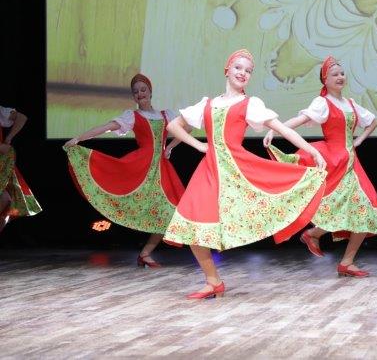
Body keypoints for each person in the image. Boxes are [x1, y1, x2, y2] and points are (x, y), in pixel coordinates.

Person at [164, 49, 327, 299]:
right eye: (238, 68)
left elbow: (282, 128)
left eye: (248, 71)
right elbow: (174, 125)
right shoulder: (207, 104)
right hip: (209, 170)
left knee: (247, 208)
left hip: (237, 169)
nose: (243, 73)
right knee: (189, 223)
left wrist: (312, 151)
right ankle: (213, 281)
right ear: (227, 70)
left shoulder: (250, 104)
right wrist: (199, 146)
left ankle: (214, 281)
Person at [265, 56, 377, 277]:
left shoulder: (351, 104)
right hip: (333, 160)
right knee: (348, 208)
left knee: (366, 211)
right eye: (334, 74)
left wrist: (359, 140)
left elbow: (372, 121)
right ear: (325, 80)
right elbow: (299, 120)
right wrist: (274, 129)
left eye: (342, 73)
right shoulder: (322, 103)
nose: (340, 77)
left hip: (350, 162)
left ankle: (341, 257)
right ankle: (318, 237)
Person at [64, 74, 184, 267]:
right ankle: (145, 254)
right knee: (142, 203)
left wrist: (169, 147)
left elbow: (187, 129)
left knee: (173, 212)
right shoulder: (132, 116)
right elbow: (106, 127)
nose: (140, 93)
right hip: (140, 167)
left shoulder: (165, 115)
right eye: (136, 92)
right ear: (133, 96)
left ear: (150, 92)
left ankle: (145, 253)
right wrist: (79, 138)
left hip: (162, 170)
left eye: (143, 89)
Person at [0, 105, 41, 233]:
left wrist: (8, 138)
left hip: (2, 163)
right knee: (6, 199)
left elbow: (21, 117)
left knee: (8, 200)